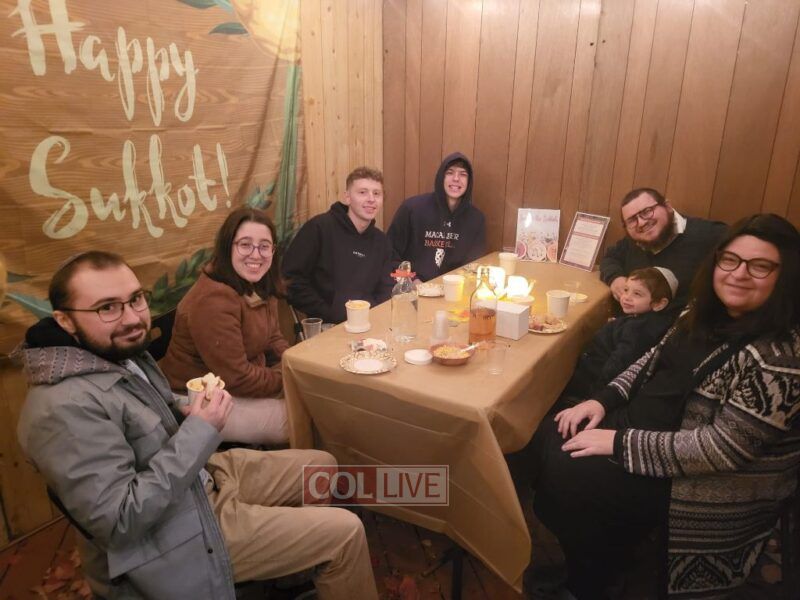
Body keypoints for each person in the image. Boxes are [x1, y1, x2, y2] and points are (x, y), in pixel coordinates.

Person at [15, 251, 378, 600]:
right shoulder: (61, 408)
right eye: (107, 307)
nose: (131, 318)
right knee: (345, 533)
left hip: (200, 478)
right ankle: (310, 554)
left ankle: (290, 573)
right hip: (175, 531)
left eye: (136, 299)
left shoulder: (115, 355)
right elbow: (121, 521)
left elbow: (144, 420)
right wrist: (200, 429)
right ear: (65, 321)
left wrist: (184, 411)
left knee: (321, 466)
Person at [529, 214, 800, 599]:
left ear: (785, 276)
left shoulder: (780, 356)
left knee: (571, 473)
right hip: (644, 427)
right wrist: (602, 400)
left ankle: (591, 581)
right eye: (730, 260)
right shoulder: (701, 313)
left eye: (760, 266)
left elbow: (723, 449)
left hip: (699, 475)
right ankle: (595, 559)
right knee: (552, 432)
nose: (739, 274)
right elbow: (648, 362)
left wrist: (618, 442)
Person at [160, 208, 290, 445]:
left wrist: (293, 363)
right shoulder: (213, 300)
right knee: (300, 419)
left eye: (264, 246)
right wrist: (287, 376)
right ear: (227, 246)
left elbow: (273, 338)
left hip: (243, 385)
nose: (256, 255)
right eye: (245, 245)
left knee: (312, 398)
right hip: (199, 401)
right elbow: (238, 378)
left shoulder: (259, 282)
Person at [282, 166, 395, 324]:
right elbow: (291, 280)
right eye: (362, 192)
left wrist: (373, 315)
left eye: (376, 193)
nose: (371, 199)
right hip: (328, 324)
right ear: (347, 197)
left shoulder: (381, 241)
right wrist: (328, 312)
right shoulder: (319, 228)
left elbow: (386, 288)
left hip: (369, 322)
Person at [560, 266, 679, 403]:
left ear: (659, 304)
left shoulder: (640, 330)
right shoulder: (641, 319)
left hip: (588, 387)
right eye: (626, 290)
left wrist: (593, 399)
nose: (626, 297)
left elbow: (618, 364)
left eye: (637, 294)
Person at [600, 187, 727, 309]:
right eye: (632, 220)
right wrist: (615, 278)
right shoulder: (633, 241)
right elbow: (610, 258)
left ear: (668, 207)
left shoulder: (710, 234)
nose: (641, 223)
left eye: (647, 211)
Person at [387, 152, 486, 282]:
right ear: (441, 177)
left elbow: (473, 267)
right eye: (450, 173)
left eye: (463, 174)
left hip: (454, 288)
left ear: (469, 182)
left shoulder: (476, 219)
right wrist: (411, 280)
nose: (456, 178)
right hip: (410, 286)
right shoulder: (412, 209)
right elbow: (389, 255)